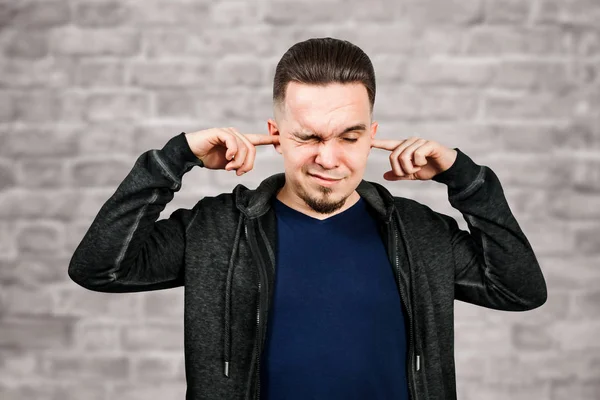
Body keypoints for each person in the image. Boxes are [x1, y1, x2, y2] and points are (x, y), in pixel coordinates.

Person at [68, 37, 547, 400]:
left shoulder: (419, 232)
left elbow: (519, 288)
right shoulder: (216, 228)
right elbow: (101, 268)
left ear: (372, 135)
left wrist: (464, 177)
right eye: (309, 137)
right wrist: (175, 158)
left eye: (349, 136)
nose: (329, 158)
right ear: (276, 135)